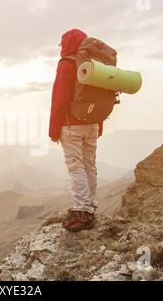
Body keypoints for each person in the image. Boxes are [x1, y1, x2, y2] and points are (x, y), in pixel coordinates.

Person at [49, 29, 103, 232]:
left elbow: (60, 99)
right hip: (92, 123)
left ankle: (81, 210)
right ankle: (89, 208)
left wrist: (54, 129)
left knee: (75, 166)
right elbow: (100, 97)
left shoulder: (67, 64)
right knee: (90, 164)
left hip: (71, 124)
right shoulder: (93, 64)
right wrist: (99, 124)